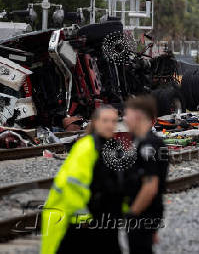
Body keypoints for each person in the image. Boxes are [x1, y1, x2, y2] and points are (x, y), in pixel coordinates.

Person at [41, 105, 122, 254]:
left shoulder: (112, 147)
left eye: (113, 121)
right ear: (96, 123)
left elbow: (116, 183)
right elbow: (73, 185)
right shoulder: (86, 147)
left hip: (105, 218)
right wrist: (83, 217)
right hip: (79, 220)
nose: (110, 125)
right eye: (105, 121)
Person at [123, 95, 169, 254]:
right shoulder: (141, 141)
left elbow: (150, 186)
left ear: (138, 115)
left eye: (127, 114)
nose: (125, 119)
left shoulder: (149, 145)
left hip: (143, 212)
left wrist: (132, 214)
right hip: (146, 212)